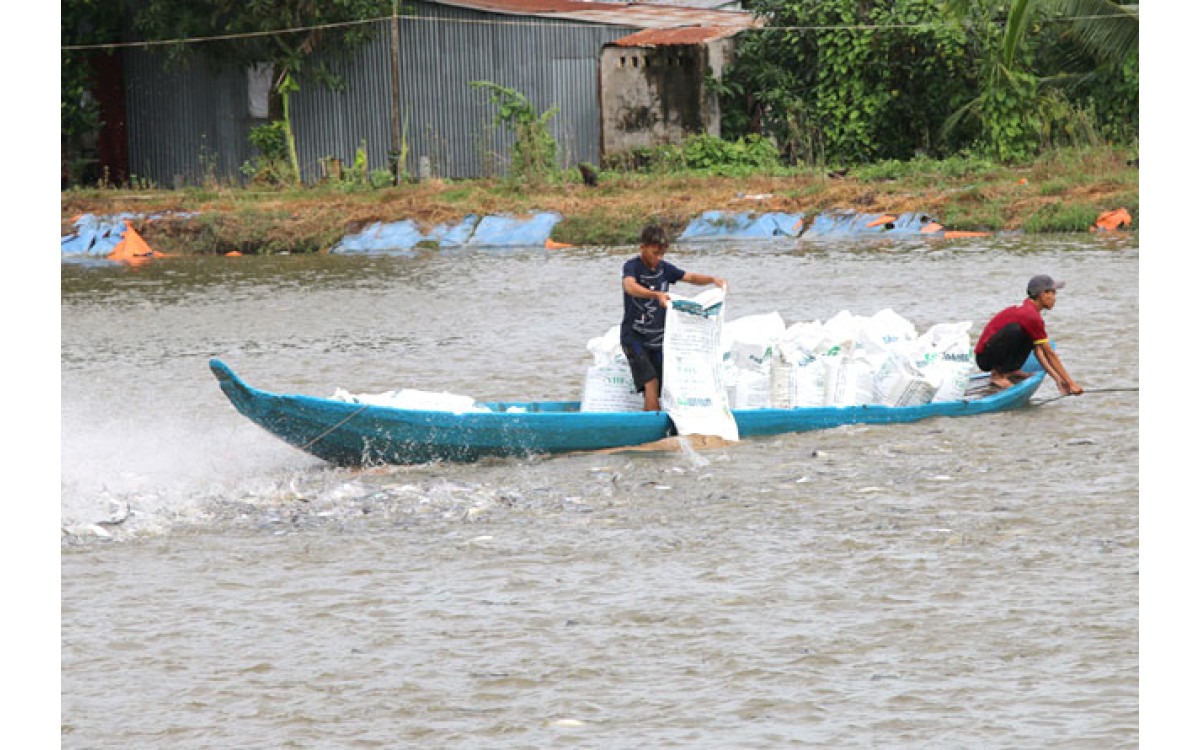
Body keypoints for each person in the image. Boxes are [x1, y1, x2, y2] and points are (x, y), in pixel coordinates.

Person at [621, 224, 727, 411]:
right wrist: (656, 295)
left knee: (663, 385)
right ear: (643, 247)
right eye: (655, 253)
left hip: (658, 339)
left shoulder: (665, 269)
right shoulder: (632, 267)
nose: (658, 258)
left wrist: (712, 280)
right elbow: (629, 287)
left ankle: (655, 420)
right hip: (634, 337)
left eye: (662, 254)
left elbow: (691, 277)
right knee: (650, 381)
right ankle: (651, 427)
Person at [974, 274, 1083, 395]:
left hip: (995, 353)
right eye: (1053, 293)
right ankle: (997, 375)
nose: (1055, 298)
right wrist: (1070, 382)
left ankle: (1011, 370)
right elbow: (1050, 353)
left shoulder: (1033, 314)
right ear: (1043, 294)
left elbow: (1038, 351)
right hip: (985, 358)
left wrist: (1058, 379)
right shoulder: (1029, 314)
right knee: (1014, 329)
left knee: (1027, 333)